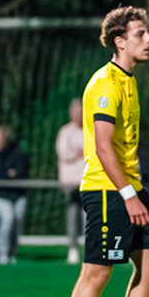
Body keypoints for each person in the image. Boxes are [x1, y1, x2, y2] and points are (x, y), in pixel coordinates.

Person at [68, 5, 149, 297]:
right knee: (97, 273)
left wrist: (134, 190)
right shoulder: (105, 84)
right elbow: (104, 147)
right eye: (141, 34)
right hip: (109, 190)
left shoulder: (128, 79)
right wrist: (127, 195)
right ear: (120, 41)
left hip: (128, 186)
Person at [0, 125, 30, 265]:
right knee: (7, 218)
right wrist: (7, 174)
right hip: (0, 194)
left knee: (17, 222)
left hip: (18, 194)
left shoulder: (17, 153)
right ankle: (2, 252)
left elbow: (22, 171)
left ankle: (12, 252)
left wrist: (12, 174)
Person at [56, 98, 86, 265]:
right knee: (73, 214)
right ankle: (72, 248)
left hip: (87, 181)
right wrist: (80, 151)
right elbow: (64, 153)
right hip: (70, 182)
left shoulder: (90, 129)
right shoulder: (65, 132)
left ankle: (89, 248)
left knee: (88, 215)